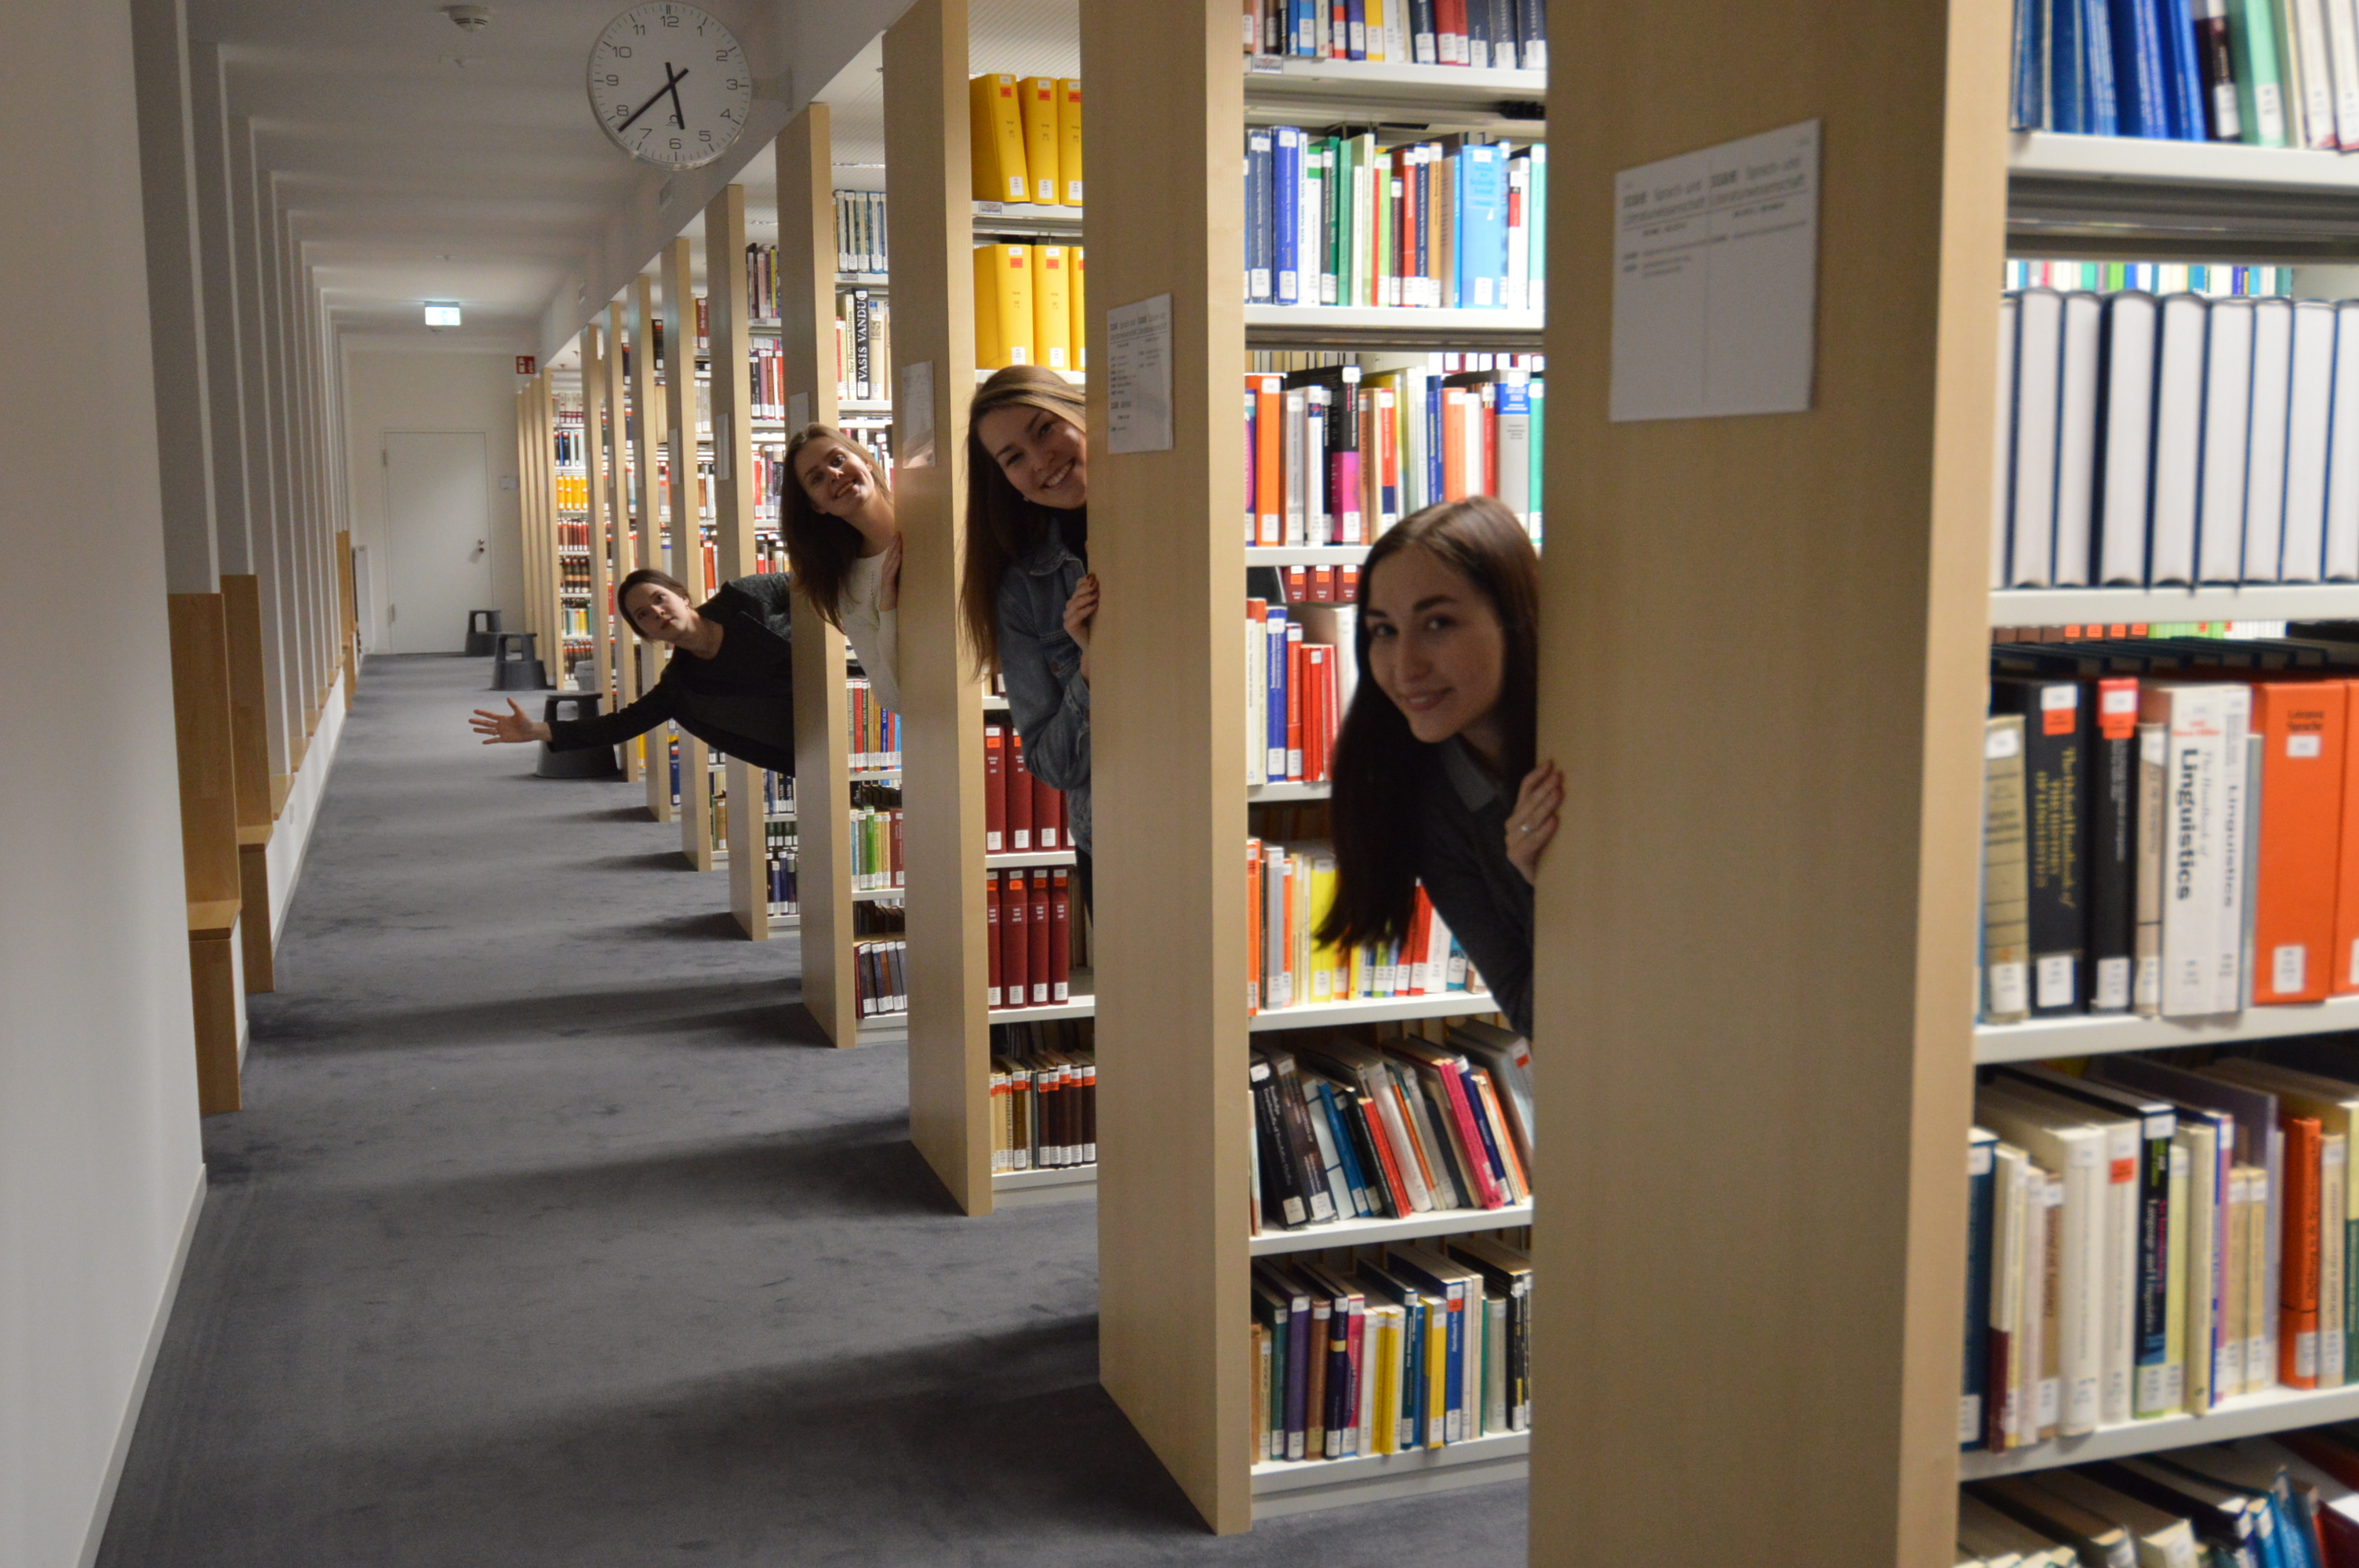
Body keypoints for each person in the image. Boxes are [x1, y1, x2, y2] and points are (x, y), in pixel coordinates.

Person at [1317, 496, 1561, 1040]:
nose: (1406, 668)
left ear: (1516, 619)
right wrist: (1550, 889)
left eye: (1438, 623)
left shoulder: (1601, 747)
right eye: (1384, 631)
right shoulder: (1428, 801)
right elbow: (1538, 1017)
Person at [961, 365, 1096, 906]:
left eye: (1044, 429)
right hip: (1117, 832)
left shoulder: (1181, 520)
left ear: (1082, 414)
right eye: (1014, 458)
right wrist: (1090, 668)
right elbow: (1052, 764)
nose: (1040, 462)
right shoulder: (1024, 590)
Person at [469, 568, 798, 774]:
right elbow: (620, 725)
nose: (658, 612)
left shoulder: (746, 597)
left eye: (661, 598)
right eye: (643, 615)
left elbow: (816, 584)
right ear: (645, 633)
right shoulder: (681, 686)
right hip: (812, 744)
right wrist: (540, 731)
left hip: (847, 691)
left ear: (683, 597)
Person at [779, 424, 901, 713]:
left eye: (838, 460)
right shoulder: (853, 587)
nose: (835, 474)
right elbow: (892, 697)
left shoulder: (935, 514)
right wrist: (887, 608)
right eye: (817, 479)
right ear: (817, 506)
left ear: (866, 461)